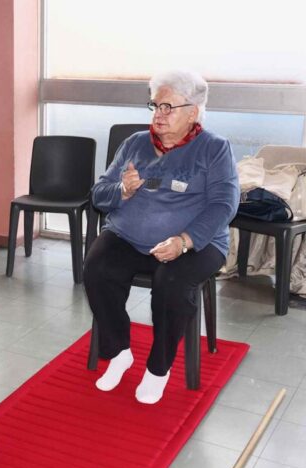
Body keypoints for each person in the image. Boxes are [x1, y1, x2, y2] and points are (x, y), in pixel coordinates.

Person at [83, 70, 239, 404]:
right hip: (129, 235)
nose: (159, 114)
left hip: (196, 242)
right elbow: (99, 193)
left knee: (171, 282)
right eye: (155, 105)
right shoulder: (135, 143)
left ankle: (158, 368)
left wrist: (184, 240)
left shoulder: (214, 148)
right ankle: (119, 351)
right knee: (97, 267)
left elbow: (224, 204)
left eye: (168, 107)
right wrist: (122, 191)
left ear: (192, 112)